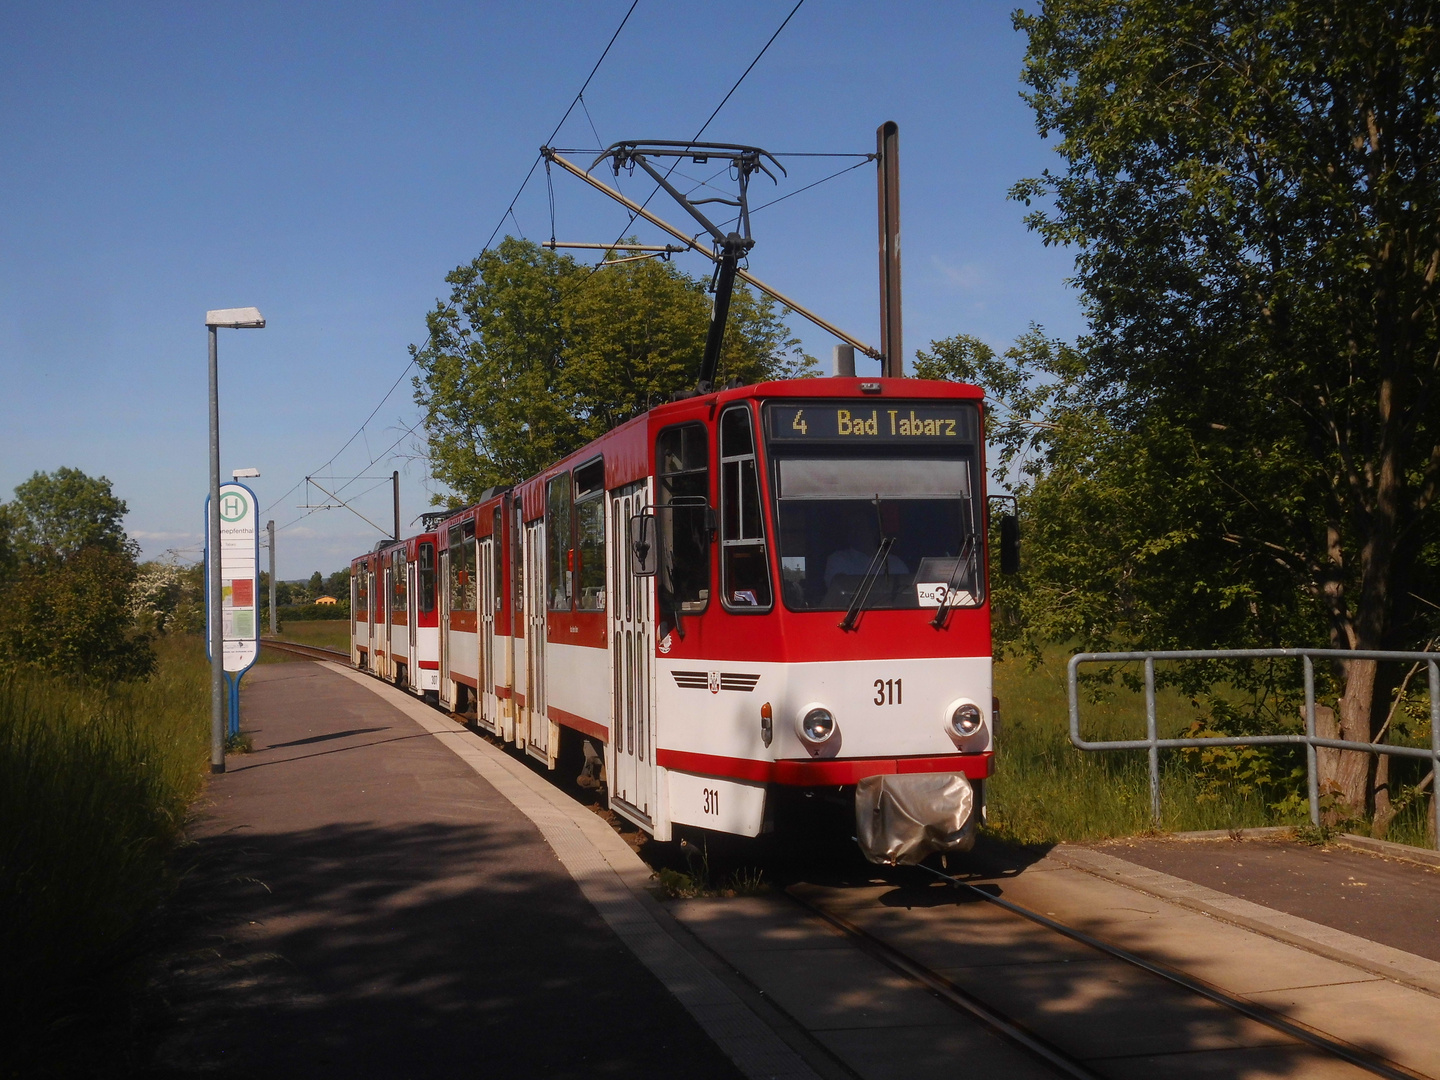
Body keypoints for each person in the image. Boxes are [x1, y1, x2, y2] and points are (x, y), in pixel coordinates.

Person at [824, 502, 908, 585]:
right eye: (851, 526)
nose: (854, 531)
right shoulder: (839, 560)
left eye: (859, 525)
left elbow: (905, 592)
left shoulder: (895, 563)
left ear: (873, 529)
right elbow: (839, 588)